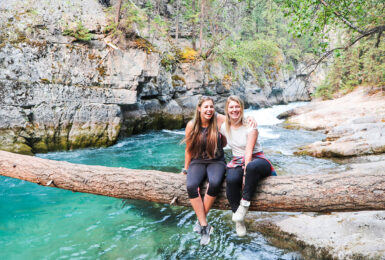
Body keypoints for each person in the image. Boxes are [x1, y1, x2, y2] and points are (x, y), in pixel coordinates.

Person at [220, 95, 277, 237]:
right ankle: (238, 220)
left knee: (251, 168)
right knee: (232, 180)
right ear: (227, 110)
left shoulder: (250, 127)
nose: (235, 110)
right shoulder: (223, 125)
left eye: (237, 106)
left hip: (257, 159)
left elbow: (249, 153)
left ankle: (244, 206)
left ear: (242, 108)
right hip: (237, 160)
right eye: (231, 107)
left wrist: (245, 175)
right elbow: (207, 112)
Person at [182, 96, 227, 245]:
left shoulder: (219, 120)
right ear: (199, 108)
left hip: (216, 161)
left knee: (214, 183)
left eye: (211, 107)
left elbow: (236, 121)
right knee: (190, 186)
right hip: (198, 161)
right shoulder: (191, 125)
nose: (209, 110)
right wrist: (186, 168)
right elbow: (188, 149)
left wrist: (250, 119)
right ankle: (204, 225)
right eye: (206, 107)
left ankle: (200, 222)